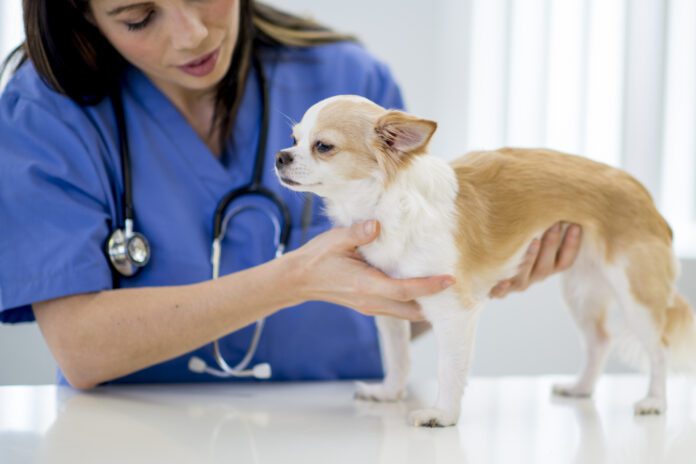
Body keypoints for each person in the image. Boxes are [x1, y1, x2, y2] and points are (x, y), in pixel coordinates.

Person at [0, 0, 582, 389]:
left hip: (338, 430)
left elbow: (400, 302)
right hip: (128, 438)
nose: (192, 32)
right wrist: (293, 278)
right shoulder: (46, 114)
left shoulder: (349, 88)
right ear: (84, 16)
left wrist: (474, 275)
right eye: (139, 16)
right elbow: (82, 349)